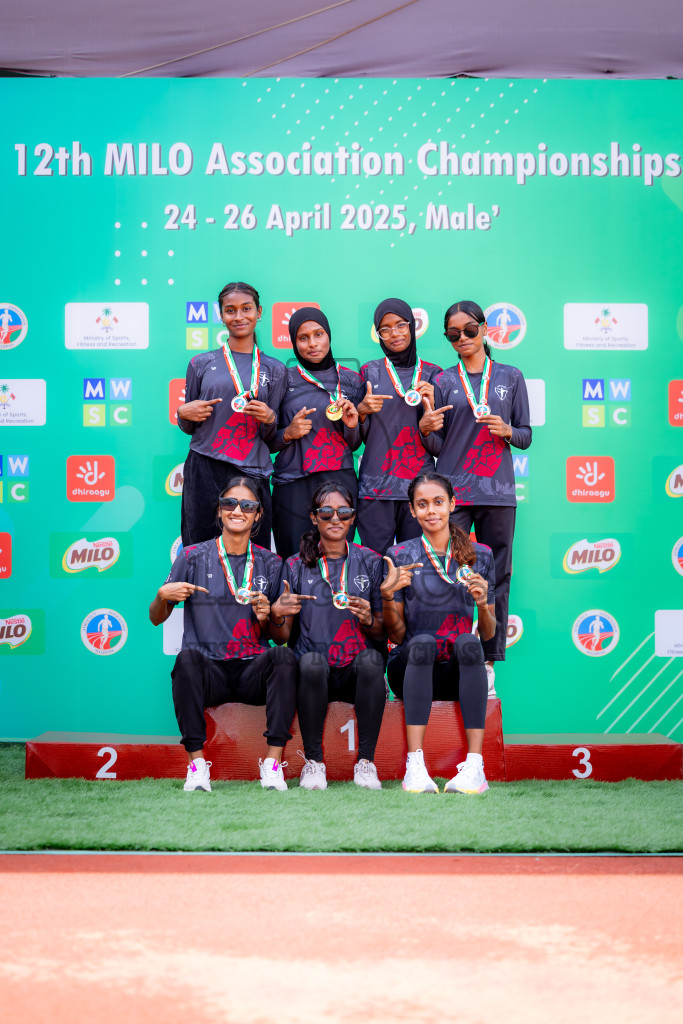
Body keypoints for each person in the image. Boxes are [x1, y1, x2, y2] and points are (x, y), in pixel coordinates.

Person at [149, 477, 297, 793]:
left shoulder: (271, 563)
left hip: (251, 671)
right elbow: (156, 618)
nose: (237, 510)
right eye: (230, 503)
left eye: (248, 505)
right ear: (219, 511)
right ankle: (197, 766)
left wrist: (272, 615)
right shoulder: (191, 557)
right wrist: (162, 596)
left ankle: (272, 765)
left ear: (258, 515)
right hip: (209, 673)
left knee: (284, 657)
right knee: (186, 659)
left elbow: (280, 636)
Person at [419, 300, 531, 694]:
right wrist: (425, 426)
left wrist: (507, 430)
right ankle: (447, 656)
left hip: (498, 491)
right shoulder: (444, 380)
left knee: (497, 576)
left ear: (485, 329)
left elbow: (526, 435)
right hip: (455, 492)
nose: (462, 339)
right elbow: (436, 442)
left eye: (469, 330)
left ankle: (486, 660)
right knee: (448, 573)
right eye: (453, 335)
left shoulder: (511, 376)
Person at [382, 472, 495, 795]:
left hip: (453, 671)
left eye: (438, 502)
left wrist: (484, 604)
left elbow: (488, 634)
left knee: (469, 642)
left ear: (452, 505)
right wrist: (389, 596)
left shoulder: (480, 555)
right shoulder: (400, 556)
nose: (431, 510)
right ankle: (414, 766)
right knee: (422, 643)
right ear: (412, 511)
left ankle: (475, 766)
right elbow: (398, 635)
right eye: (422, 504)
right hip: (410, 667)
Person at [270, 481, 387, 790]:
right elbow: (281, 638)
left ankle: (366, 763)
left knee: (373, 661)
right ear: (313, 517)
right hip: (312, 673)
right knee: (309, 663)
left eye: (344, 512)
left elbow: (380, 631)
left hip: (353, 673)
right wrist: (278, 612)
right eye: (326, 512)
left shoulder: (370, 561)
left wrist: (369, 619)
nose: (336, 519)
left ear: (353, 517)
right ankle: (314, 763)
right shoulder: (294, 565)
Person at [177, 281, 287, 549]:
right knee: (199, 547)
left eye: (246, 309)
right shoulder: (200, 363)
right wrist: (183, 413)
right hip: (205, 465)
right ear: (221, 314)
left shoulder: (275, 369)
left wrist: (270, 419)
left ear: (259, 312)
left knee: (253, 552)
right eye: (230, 310)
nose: (239, 317)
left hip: (252, 470)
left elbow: (272, 439)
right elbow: (188, 426)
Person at [271, 306, 363, 559]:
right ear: (294, 342)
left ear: (329, 336)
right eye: (303, 338)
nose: (312, 343)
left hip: (340, 481)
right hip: (293, 484)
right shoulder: (282, 379)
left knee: (337, 560)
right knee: (292, 560)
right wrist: (288, 433)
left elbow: (354, 444)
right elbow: (266, 440)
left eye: (319, 334)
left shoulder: (353, 381)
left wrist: (352, 425)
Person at [355, 298, 442, 554]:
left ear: (412, 326)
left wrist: (432, 409)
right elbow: (359, 439)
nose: (394, 333)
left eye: (400, 325)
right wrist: (362, 412)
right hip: (376, 487)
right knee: (375, 565)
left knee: (417, 567)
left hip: (419, 489)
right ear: (378, 334)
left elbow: (440, 444)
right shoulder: (369, 372)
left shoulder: (434, 375)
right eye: (385, 329)